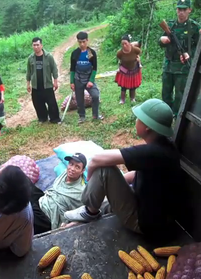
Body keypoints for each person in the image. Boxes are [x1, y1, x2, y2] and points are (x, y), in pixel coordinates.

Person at [63, 98, 182, 242]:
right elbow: (138, 174)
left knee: (104, 170)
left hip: (145, 224)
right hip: (154, 214)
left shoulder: (152, 152)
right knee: (105, 200)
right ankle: (85, 215)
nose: (136, 121)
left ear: (147, 127)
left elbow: (96, 160)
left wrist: (90, 179)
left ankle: (89, 212)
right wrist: (112, 186)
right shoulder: (165, 148)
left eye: (139, 118)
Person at [160, 0, 201, 117]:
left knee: (180, 94)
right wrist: (162, 40)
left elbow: (200, 47)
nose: (181, 12)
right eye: (179, 9)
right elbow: (161, 42)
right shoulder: (171, 25)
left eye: (184, 9)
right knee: (166, 93)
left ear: (190, 10)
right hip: (168, 65)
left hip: (182, 68)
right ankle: (166, 114)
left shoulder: (194, 27)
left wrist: (189, 54)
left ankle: (177, 116)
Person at [30, 153, 87, 234]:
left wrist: (69, 225)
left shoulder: (80, 192)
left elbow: (83, 214)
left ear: (82, 171)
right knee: (23, 181)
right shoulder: (64, 174)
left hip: (47, 217)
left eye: (77, 167)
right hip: (43, 199)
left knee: (25, 213)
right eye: (71, 164)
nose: (72, 169)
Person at [70, 31, 103, 124]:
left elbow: (94, 68)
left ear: (87, 40)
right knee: (79, 99)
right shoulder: (75, 53)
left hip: (88, 78)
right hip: (78, 79)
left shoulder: (90, 53)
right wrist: (72, 82)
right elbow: (72, 69)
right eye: (80, 42)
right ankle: (82, 116)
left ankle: (95, 115)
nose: (82, 44)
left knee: (95, 95)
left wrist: (91, 80)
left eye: (84, 42)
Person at [27, 37, 60, 124]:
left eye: (37, 45)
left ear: (41, 45)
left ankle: (55, 118)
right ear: (32, 46)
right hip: (35, 85)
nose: (36, 47)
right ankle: (42, 118)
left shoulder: (48, 57)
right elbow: (29, 72)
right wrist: (28, 84)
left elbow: (54, 69)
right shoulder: (30, 58)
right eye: (34, 45)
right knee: (38, 103)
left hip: (47, 84)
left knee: (52, 103)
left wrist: (55, 82)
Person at [115, 34, 143, 105]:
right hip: (124, 70)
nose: (124, 45)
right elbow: (119, 59)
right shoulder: (119, 53)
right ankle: (122, 99)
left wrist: (138, 59)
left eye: (126, 43)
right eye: (122, 44)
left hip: (134, 69)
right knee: (123, 86)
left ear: (129, 43)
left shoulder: (135, 49)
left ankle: (132, 98)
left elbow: (139, 52)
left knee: (133, 86)